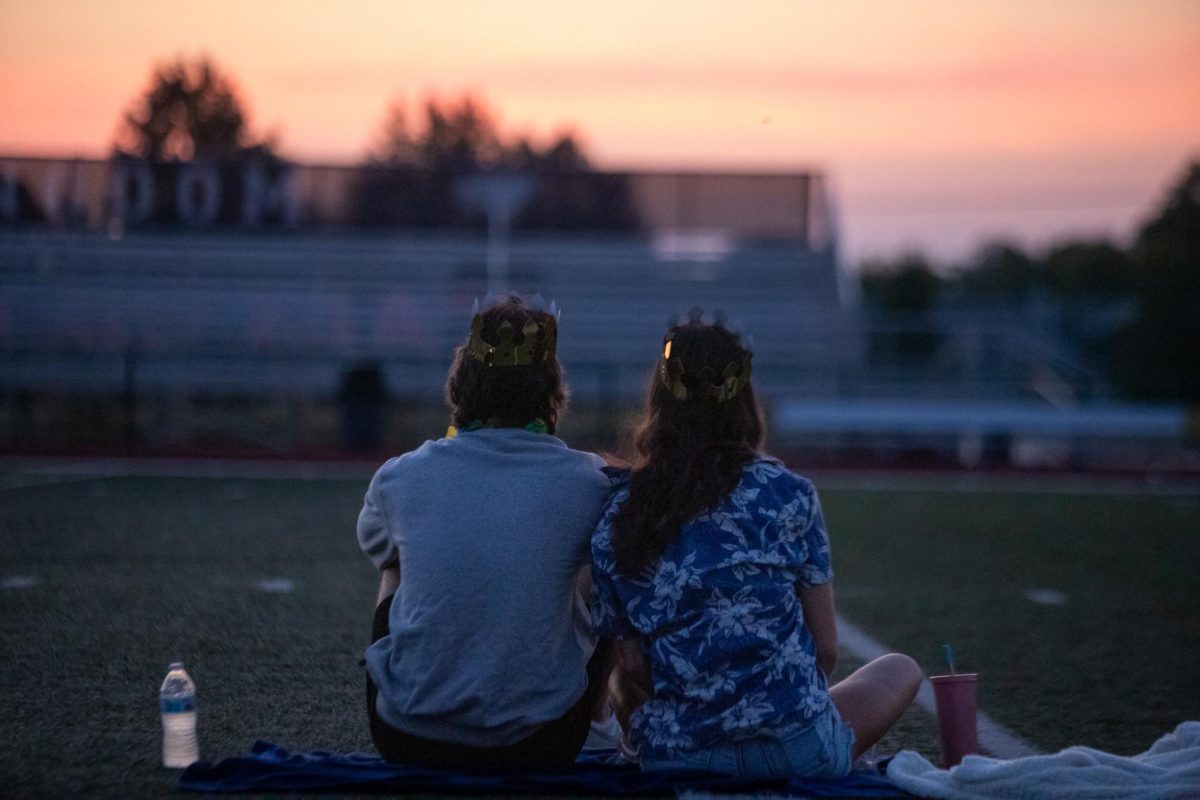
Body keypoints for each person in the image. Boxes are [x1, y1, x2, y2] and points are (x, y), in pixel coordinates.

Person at [590, 313, 922, 777]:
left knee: (621, 682)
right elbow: (825, 650)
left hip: (679, 757)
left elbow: (632, 666)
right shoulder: (790, 493)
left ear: (660, 399)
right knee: (901, 669)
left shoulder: (619, 511)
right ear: (744, 399)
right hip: (796, 750)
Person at [357, 295, 614, 767]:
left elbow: (380, 550)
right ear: (551, 390)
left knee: (395, 564)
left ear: (462, 385)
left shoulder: (401, 476)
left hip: (407, 737)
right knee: (600, 568)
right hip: (544, 742)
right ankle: (602, 725)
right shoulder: (590, 482)